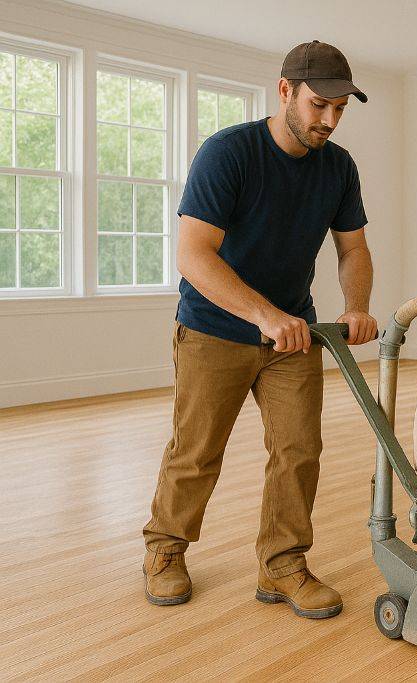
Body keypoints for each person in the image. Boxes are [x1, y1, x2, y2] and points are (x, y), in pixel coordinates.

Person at [141, 40, 376, 619]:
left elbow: (352, 248)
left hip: (291, 333)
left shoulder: (339, 167)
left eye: (339, 109)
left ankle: (283, 564)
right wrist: (265, 316)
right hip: (214, 330)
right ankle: (165, 550)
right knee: (196, 452)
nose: (329, 119)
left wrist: (357, 305)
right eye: (319, 104)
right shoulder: (229, 153)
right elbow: (193, 255)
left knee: (299, 451)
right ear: (285, 91)